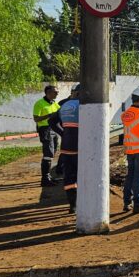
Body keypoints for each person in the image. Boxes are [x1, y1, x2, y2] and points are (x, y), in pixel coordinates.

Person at [50, 85, 80, 213]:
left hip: (66, 147)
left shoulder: (64, 105)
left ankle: (72, 205)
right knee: (82, 176)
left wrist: (63, 133)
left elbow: (52, 121)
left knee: (69, 177)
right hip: (80, 147)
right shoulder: (83, 105)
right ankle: (81, 202)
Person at [32, 85, 61, 186]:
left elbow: (59, 112)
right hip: (45, 129)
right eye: (55, 92)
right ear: (48, 93)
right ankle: (44, 179)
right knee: (48, 153)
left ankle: (48, 176)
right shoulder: (39, 103)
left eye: (57, 92)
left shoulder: (54, 103)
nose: (57, 93)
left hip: (54, 129)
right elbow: (36, 119)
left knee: (52, 152)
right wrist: (49, 115)